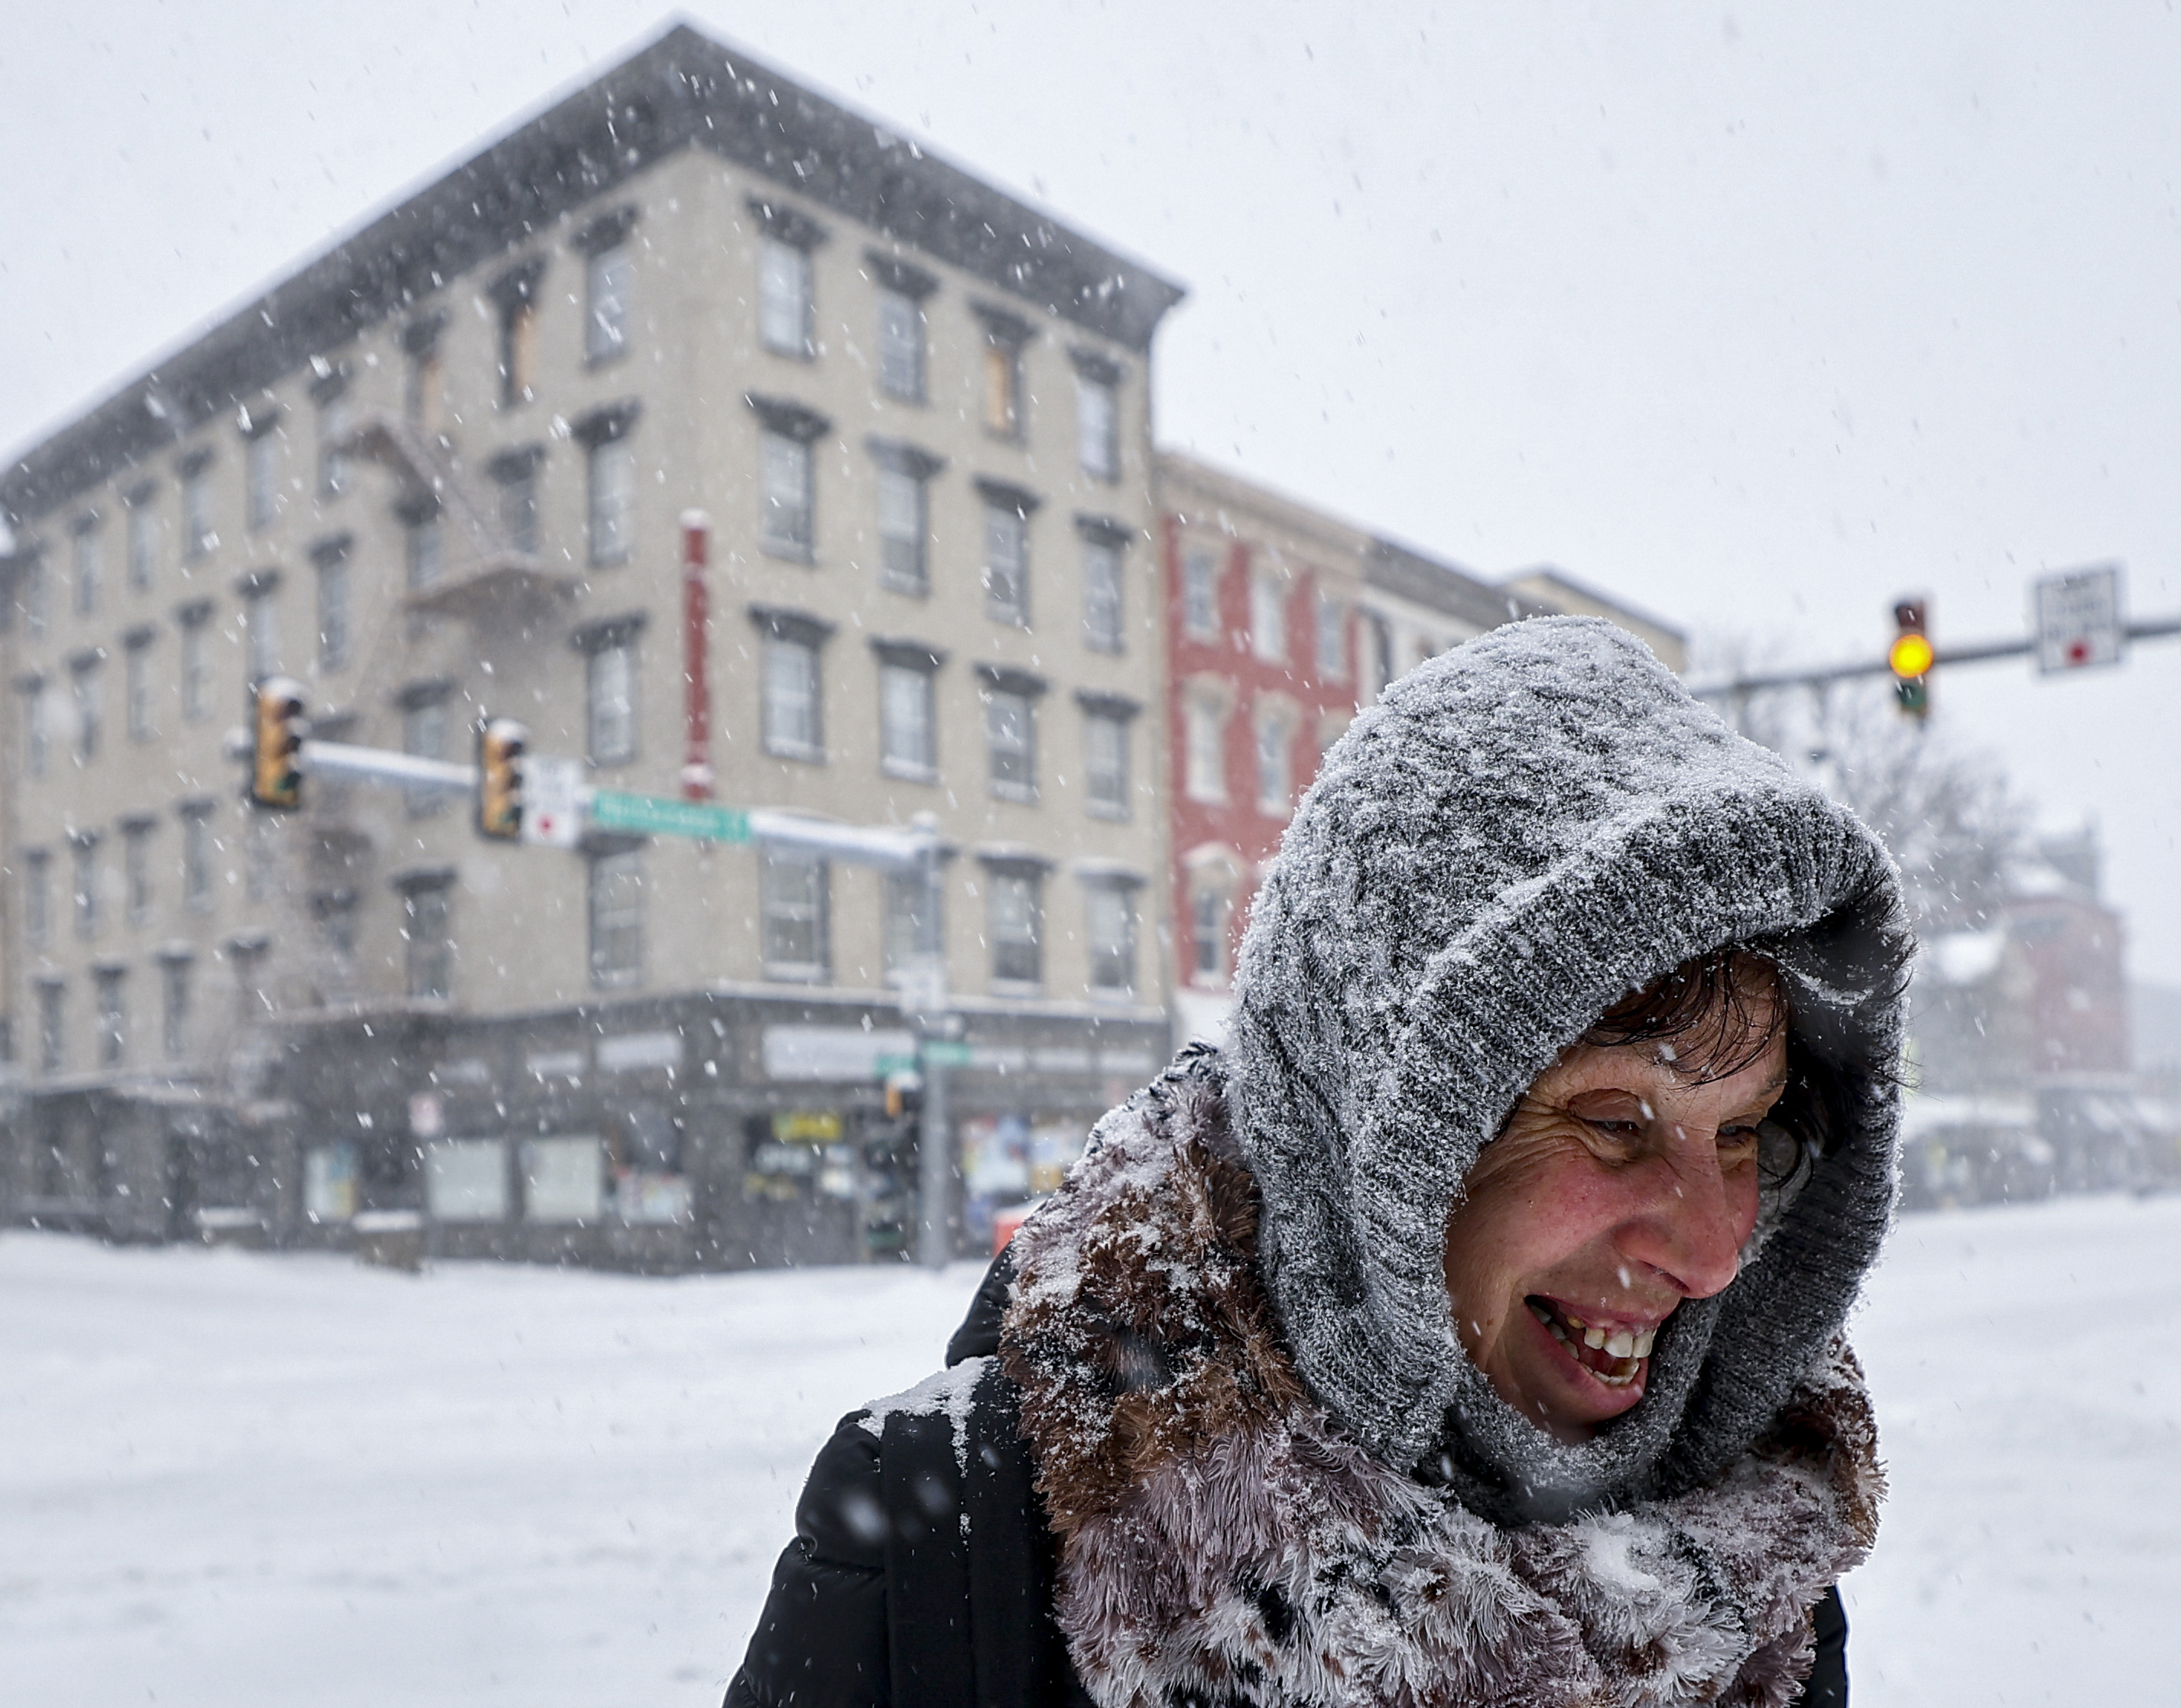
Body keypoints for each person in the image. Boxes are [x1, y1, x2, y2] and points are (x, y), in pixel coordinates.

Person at [725, 618, 1909, 1708]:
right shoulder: (950, 1556)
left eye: (1745, 1131)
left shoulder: (1750, 1583)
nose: (1710, 1252)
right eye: (1613, 1123)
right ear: (1375, 1129)